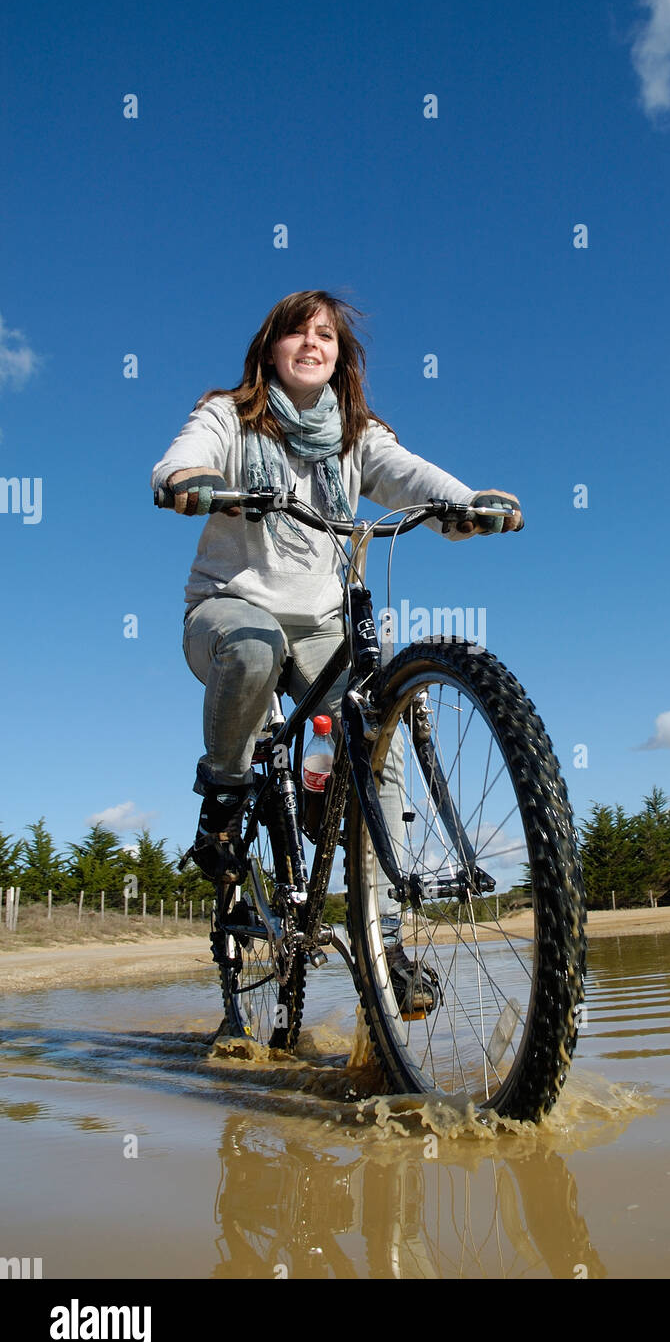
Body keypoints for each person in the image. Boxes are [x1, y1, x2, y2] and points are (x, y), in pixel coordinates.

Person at [151, 289, 522, 1015]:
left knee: (369, 735)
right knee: (254, 650)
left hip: (323, 621)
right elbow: (184, 458)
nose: (313, 343)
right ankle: (224, 800)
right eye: (297, 332)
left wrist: (461, 503)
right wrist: (191, 483)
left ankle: (383, 944)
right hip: (231, 611)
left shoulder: (355, 433)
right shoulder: (230, 414)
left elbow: (407, 473)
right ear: (271, 347)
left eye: (326, 335)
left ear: (340, 356)